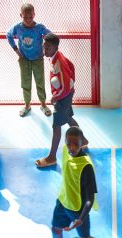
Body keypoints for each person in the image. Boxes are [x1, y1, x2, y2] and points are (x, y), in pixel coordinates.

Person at [51, 126, 121, 238]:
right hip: (63, 202)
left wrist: (81, 218)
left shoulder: (86, 166)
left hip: (78, 209)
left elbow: (90, 197)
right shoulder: (65, 150)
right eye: (69, 143)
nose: (71, 147)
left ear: (83, 143)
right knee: (56, 229)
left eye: (76, 144)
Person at [35, 33, 78, 168]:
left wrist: (56, 96)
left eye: (48, 48)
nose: (45, 50)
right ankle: (83, 140)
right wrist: (70, 85)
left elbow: (64, 85)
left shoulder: (58, 62)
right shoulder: (56, 57)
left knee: (56, 126)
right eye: (44, 47)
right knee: (68, 117)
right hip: (66, 94)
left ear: (55, 47)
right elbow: (72, 66)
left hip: (63, 97)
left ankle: (52, 157)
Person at [7, 2, 51, 117]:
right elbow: (8, 35)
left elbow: (50, 35)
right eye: (25, 17)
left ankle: (43, 104)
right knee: (25, 83)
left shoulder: (39, 27)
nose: (28, 19)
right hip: (24, 59)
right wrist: (15, 49)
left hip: (38, 58)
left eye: (30, 17)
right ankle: (27, 105)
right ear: (20, 15)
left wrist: (45, 47)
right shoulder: (17, 27)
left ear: (34, 14)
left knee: (40, 82)